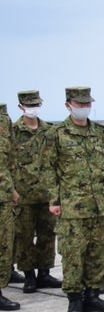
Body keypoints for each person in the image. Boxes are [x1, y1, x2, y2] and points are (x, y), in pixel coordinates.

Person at [44, 86, 104, 312]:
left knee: (99, 252)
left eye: (87, 104)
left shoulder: (99, 131)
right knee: (73, 254)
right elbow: (49, 169)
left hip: (98, 205)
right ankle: (75, 299)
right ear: (68, 105)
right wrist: (54, 200)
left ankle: (93, 295)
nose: (84, 108)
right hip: (72, 205)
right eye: (80, 104)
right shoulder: (56, 133)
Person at [12, 90, 62, 293]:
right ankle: (29, 275)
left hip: (46, 194)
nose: (33, 108)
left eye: (36, 104)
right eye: (29, 105)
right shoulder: (13, 132)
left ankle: (44, 273)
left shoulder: (50, 131)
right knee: (23, 236)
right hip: (23, 195)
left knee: (47, 235)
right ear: (21, 107)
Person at [0, 103, 17, 311]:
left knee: (4, 244)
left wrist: (12, 189)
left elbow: (10, 159)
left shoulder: (4, 120)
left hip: (3, 193)